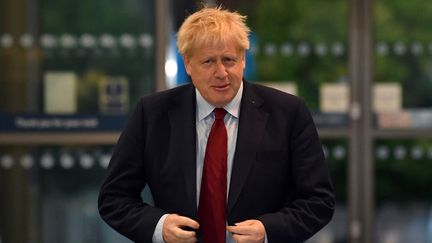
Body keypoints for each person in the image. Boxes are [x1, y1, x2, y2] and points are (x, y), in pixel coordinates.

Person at [98, 6, 335, 243]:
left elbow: (318, 201)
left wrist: (268, 231)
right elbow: (114, 198)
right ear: (188, 64)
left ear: (243, 59)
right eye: (208, 61)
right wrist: (160, 227)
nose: (221, 72)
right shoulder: (152, 114)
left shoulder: (288, 113)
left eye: (229, 60)